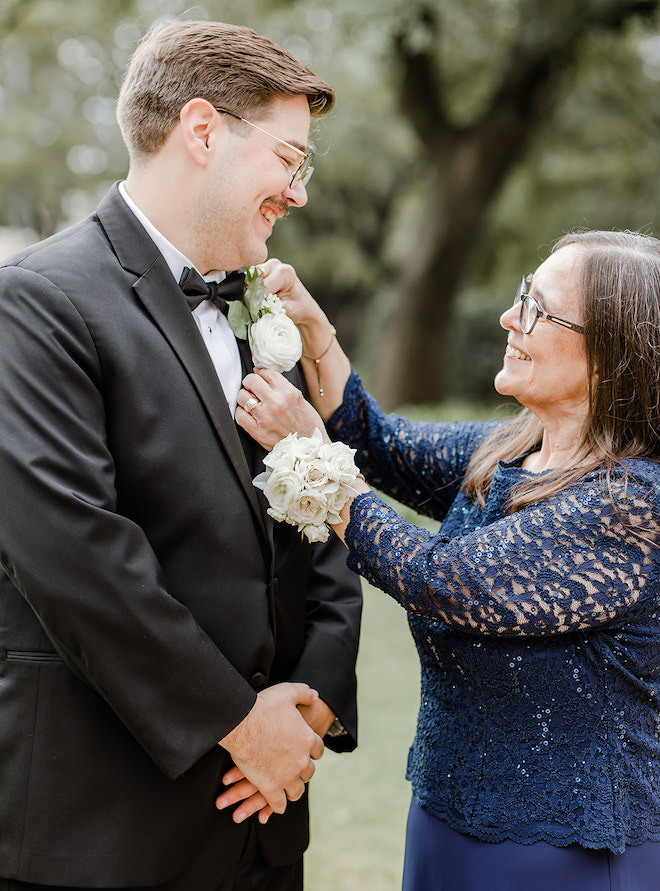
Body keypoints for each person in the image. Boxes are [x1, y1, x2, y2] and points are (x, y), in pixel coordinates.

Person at [0, 20, 361, 891]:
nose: (297, 192)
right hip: (100, 828)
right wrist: (242, 724)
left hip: (263, 826)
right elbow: (77, 556)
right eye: (288, 158)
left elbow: (319, 511)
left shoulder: (260, 307)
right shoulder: (39, 302)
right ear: (202, 131)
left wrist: (310, 701)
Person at [230, 231, 660, 890]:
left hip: (563, 854)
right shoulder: (516, 447)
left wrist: (307, 454)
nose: (510, 318)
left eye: (540, 310)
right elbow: (378, 444)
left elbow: (443, 580)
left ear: (612, 354)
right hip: (444, 825)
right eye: (523, 296)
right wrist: (315, 333)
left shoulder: (631, 503)